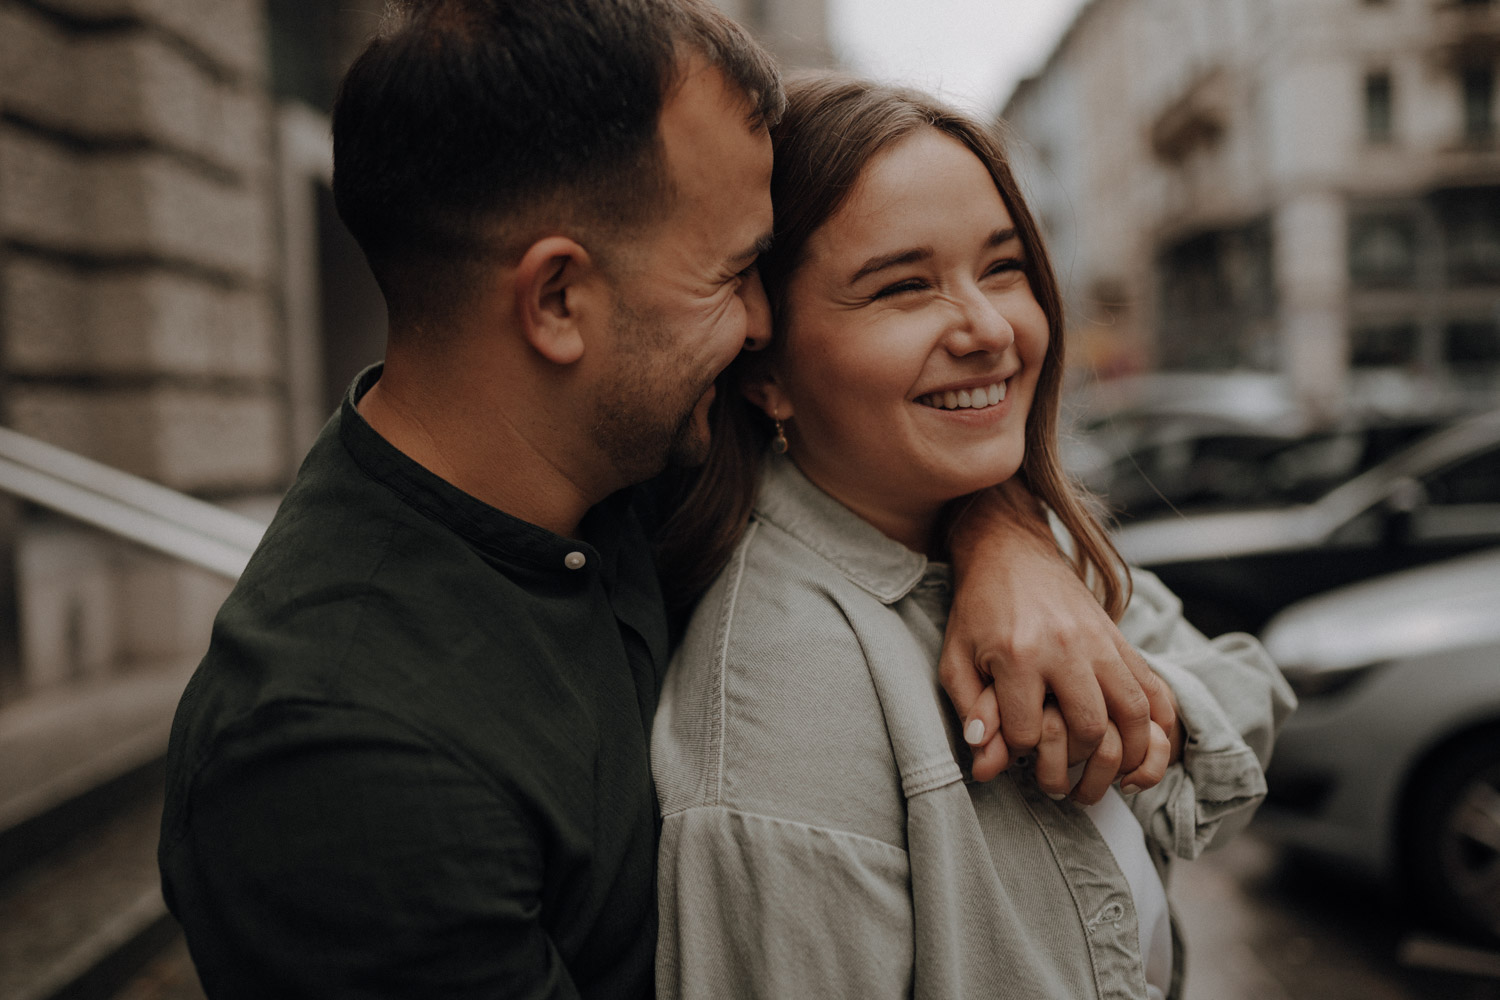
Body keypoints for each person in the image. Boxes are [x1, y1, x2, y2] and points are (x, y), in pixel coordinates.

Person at [159, 2, 1178, 997]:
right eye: (735, 272)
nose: (760, 322)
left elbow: (882, 441)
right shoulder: (338, 754)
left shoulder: (627, 464)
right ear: (559, 300)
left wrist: (1003, 538)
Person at [652, 74, 1296, 1000]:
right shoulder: (786, 702)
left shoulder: (1007, 540)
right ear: (766, 371)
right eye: (903, 288)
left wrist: (1005, 532)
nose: (990, 328)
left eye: (1002, 267)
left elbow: (1248, 712)